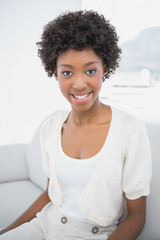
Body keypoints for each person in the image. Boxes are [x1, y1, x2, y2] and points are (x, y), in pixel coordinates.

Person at [0, 10, 152, 240]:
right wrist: (7, 231)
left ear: (105, 69)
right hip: (44, 226)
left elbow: (137, 216)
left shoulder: (130, 130)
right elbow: (51, 196)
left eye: (91, 71)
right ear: (55, 73)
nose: (79, 84)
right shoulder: (50, 128)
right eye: (67, 73)